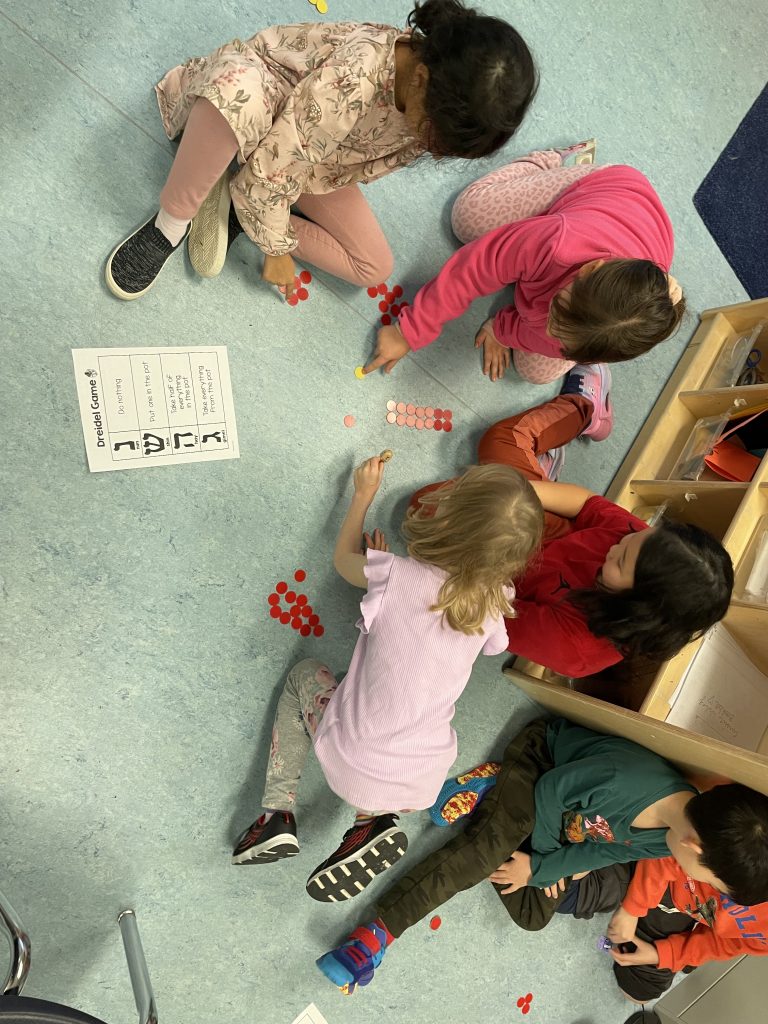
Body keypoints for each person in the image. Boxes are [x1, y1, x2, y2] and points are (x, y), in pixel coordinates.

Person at [231, 453, 543, 904]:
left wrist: (362, 497)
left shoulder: (396, 574)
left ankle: (276, 812)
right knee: (375, 699)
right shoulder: (495, 601)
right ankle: (368, 821)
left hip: (357, 758)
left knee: (305, 676)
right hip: (422, 778)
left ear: (448, 519)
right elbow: (495, 643)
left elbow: (343, 560)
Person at [105, 0, 537, 300]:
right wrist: (275, 250)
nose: (432, 150)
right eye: (433, 136)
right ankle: (172, 223)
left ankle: (241, 205)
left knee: (374, 266)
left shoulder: (434, 84)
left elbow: (312, 160)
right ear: (421, 80)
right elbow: (276, 164)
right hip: (266, 103)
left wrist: (276, 227)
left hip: (314, 158)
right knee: (234, 98)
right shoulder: (353, 82)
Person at [315, 719, 765, 994]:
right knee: (484, 856)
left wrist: (544, 869)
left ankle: (493, 818)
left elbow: (604, 849)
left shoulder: (667, 839)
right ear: (695, 848)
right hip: (539, 765)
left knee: (534, 913)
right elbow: (551, 791)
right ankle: (377, 934)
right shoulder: (625, 782)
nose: (703, 888)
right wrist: (542, 859)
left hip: (564, 821)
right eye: (713, 882)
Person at [411, 362, 734, 677]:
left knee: (424, 509)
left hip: (500, 575)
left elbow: (482, 610)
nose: (618, 544)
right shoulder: (641, 544)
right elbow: (583, 503)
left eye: (621, 560)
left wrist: (487, 530)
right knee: (499, 441)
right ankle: (583, 409)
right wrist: (514, 495)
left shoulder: (574, 647)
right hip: (543, 525)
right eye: (634, 537)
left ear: (634, 606)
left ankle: (533, 474)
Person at [364, 144, 686, 384]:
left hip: (624, 258)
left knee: (537, 373)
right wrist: (411, 330)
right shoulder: (555, 242)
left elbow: (553, 337)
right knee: (468, 217)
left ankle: (556, 318)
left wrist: (502, 330)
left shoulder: (618, 332)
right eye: (557, 308)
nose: (549, 327)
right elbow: (473, 269)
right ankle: (547, 162)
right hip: (604, 186)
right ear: (589, 269)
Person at [571, 784, 768, 1007]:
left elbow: (727, 943)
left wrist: (664, 954)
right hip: (664, 870)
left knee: (639, 992)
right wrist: (632, 908)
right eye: (718, 886)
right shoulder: (695, 845)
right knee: (570, 891)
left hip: (684, 905)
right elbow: (673, 843)